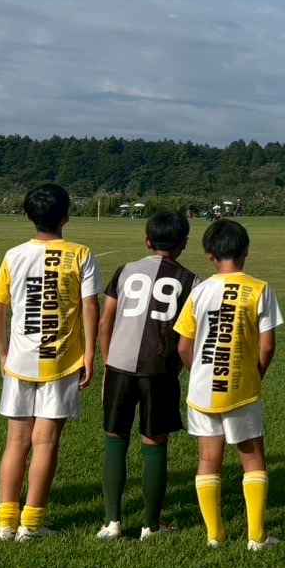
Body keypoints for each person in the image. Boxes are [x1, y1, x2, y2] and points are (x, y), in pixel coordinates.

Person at [0, 183, 101, 541]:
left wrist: (3, 353)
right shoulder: (81, 254)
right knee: (46, 443)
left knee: (16, 442)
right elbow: (90, 306)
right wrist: (90, 353)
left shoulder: (14, 255)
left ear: (27, 215)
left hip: (20, 361)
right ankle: (32, 524)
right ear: (67, 216)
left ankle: (5, 523)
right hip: (61, 361)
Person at [175, 219, 282, 551]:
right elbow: (267, 345)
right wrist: (256, 373)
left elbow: (183, 346)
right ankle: (257, 536)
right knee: (252, 457)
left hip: (203, 390)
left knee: (209, 459)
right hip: (242, 388)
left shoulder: (200, 291)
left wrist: (198, 372)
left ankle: (215, 535)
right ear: (246, 251)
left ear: (210, 255)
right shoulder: (260, 289)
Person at [95, 212, 200, 541]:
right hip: (160, 370)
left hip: (119, 367)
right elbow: (188, 336)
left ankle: (111, 523)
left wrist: (108, 363)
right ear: (184, 244)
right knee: (154, 441)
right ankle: (151, 526)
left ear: (147, 241)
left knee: (115, 437)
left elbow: (105, 322)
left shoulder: (125, 271)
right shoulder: (190, 280)